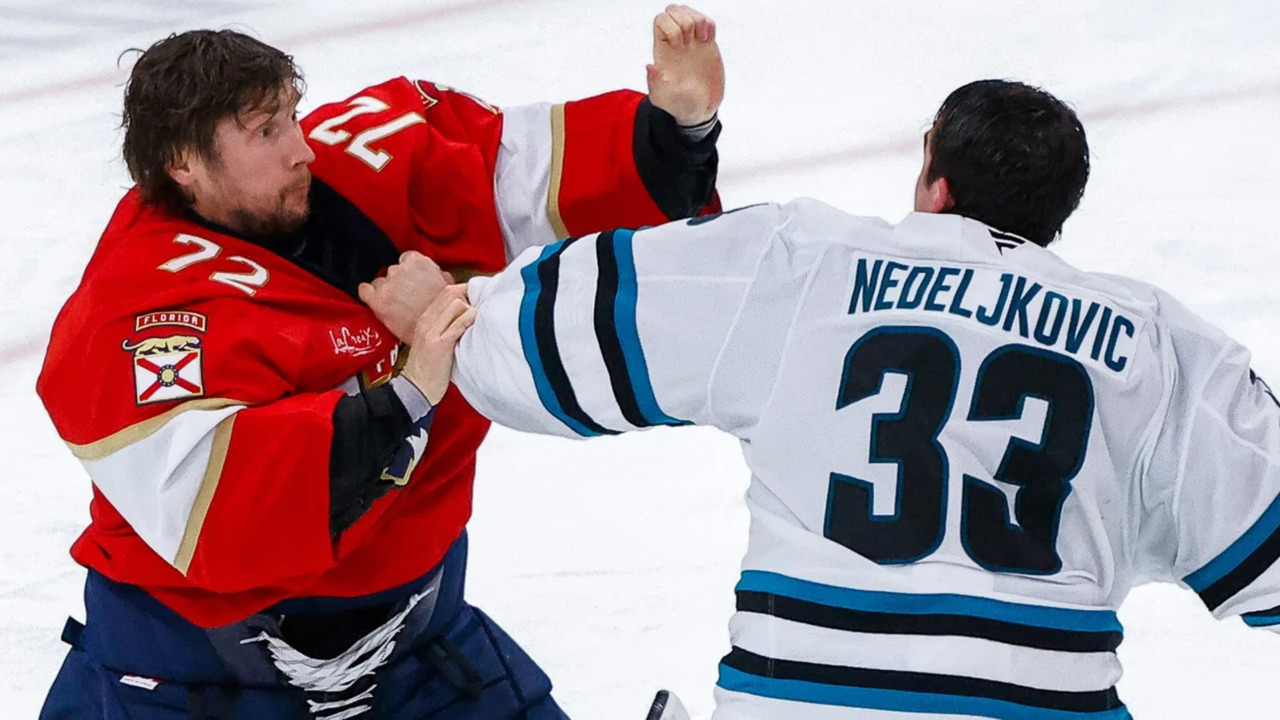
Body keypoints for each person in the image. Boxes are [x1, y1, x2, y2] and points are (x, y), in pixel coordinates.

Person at [364, 79, 1280, 719]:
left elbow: (557, 341)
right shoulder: (1157, 346)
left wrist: (451, 317)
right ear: (1058, 213)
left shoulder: (798, 260)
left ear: (933, 173)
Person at [35, 6, 724, 719]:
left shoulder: (372, 157)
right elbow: (225, 515)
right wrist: (411, 388)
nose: (300, 149)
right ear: (183, 163)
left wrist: (678, 132)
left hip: (420, 655)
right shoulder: (133, 312)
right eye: (265, 134)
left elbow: (536, 184)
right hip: (189, 686)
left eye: (291, 117)